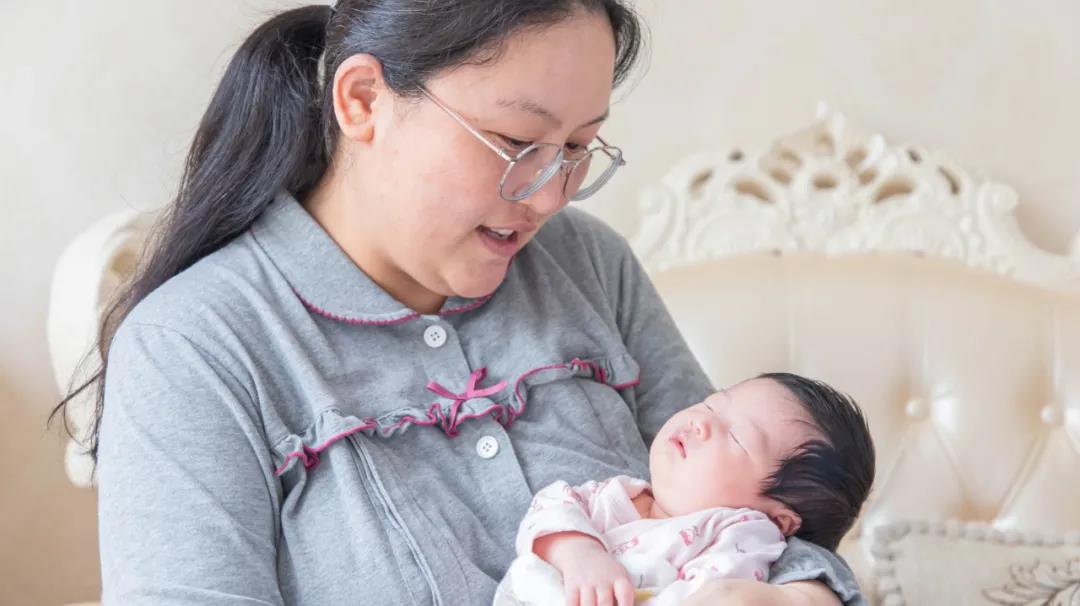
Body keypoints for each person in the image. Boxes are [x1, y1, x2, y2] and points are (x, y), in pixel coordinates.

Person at [53, 2, 867, 604]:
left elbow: (758, 514)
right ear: (363, 100)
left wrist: (798, 597)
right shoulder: (195, 348)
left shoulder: (589, 263)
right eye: (516, 143)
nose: (549, 197)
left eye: (578, 148)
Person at [495, 373, 875, 605]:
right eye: (711, 404)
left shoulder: (738, 536)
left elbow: (708, 597)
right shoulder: (621, 495)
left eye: (737, 437)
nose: (699, 422)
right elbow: (551, 505)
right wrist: (580, 553)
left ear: (776, 519)